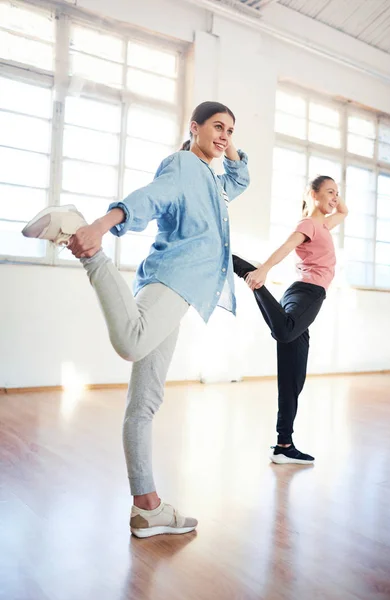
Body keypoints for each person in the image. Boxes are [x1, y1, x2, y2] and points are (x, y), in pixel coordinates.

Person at [22, 101, 250, 537]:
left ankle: (147, 507)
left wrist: (228, 145)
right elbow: (151, 197)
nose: (224, 137)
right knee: (131, 342)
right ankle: (81, 240)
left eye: (231, 131)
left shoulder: (214, 182)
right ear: (194, 127)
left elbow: (242, 178)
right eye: (217, 127)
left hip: (176, 288)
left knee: (143, 404)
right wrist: (103, 224)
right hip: (174, 280)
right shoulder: (184, 165)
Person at [233, 175, 348, 465]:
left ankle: (284, 444)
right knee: (284, 333)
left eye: (337, 192)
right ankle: (246, 271)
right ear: (312, 193)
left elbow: (344, 212)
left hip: (301, 295)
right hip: (307, 292)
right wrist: (263, 270)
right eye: (330, 191)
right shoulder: (309, 223)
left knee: (293, 375)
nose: (335, 197)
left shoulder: (324, 223)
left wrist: (332, 198)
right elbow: (286, 247)